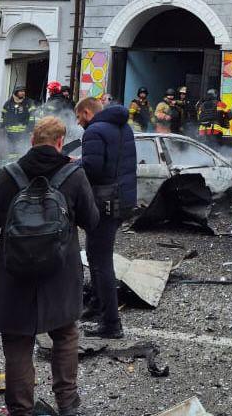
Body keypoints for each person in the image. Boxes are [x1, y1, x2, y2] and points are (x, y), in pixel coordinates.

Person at [0, 115, 100, 416]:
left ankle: (21, 409)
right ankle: (67, 404)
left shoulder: (7, 175)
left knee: (18, 343)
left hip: (14, 274)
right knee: (65, 335)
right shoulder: (73, 175)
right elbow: (92, 221)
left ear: (31, 141)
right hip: (60, 273)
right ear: (60, 142)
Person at [75, 96, 137, 339]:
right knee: (96, 255)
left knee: (101, 261)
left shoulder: (93, 131)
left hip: (104, 202)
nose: (78, 122)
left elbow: (92, 169)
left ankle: (111, 324)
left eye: (79, 117)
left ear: (87, 112)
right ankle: (97, 305)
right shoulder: (124, 127)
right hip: (122, 200)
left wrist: (74, 164)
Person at [1, 85, 35, 162]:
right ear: (16, 92)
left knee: (22, 149)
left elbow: (33, 116)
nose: (23, 93)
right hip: (10, 133)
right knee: (12, 150)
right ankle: (12, 163)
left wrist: (30, 128)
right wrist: (3, 127)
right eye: (21, 91)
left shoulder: (28, 102)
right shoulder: (8, 103)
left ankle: (22, 163)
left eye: (24, 91)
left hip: (23, 132)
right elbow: (3, 116)